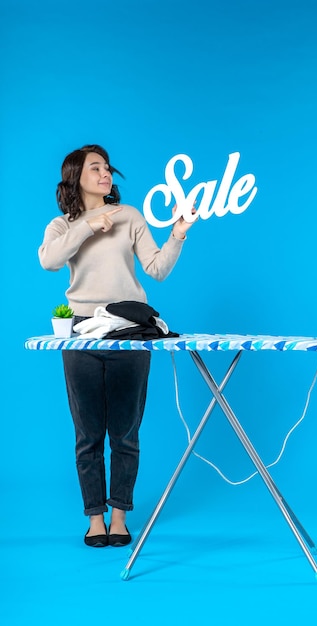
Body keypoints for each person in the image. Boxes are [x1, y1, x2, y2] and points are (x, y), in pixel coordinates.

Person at [39, 144, 195, 547]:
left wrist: (177, 235)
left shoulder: (130, 218)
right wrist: (90, 225)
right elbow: (50, 261)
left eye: (107, 168)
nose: (105, 174)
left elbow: (157, 269)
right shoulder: (62, 225)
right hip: (81, 333)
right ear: (76, 177)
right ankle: (95, 517)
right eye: (96, 168)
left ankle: (120, 515)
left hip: (129, 332)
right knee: (87, 433)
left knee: (125, 432)